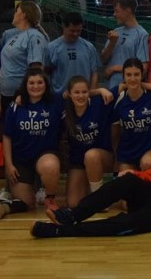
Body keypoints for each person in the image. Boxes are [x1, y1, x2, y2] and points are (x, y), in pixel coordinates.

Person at [32, 124, 151, 238]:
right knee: (128, 179)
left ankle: (59, 231)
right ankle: (71, 215)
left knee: (120, 224)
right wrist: (132, 175)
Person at [2, 68, 63, 211]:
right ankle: (21, 188)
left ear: (46, 84)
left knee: (50, 166)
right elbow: (7, 136)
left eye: (40, 82)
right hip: (21, 159)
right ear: (25, 85)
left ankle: (50, 198)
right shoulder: (15, 106)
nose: (36, 86)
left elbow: (78, 92)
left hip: (45, 154)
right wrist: (9, 165)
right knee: (25, 203)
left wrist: (101, 91)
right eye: (32, 83)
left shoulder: (56, 102)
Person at [64, 76, 116, 207]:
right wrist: (20, 97)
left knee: (91, 155)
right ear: (69, 94)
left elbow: (126, 85)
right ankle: (89, 187)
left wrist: (101, 90)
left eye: (84, 92)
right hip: (78, 161)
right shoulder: (65, 109)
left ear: (89, 92)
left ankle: (99, 199)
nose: (81, 96)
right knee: (73, 203)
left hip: (103, 157)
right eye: (76, 92)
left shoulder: (99, 103)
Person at [0, 0, 48, 116]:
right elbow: (6, 65)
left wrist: (24, 94)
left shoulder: (34, 36)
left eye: (17, 11)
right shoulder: (14, 36)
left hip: (22, 95)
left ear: (23, 15)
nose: (14, 14)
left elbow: (36, 69)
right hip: (6, 94)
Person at [112, 58, 151, 172]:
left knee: (147, 163)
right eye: (128, 75)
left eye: (136, 74)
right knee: (125, 177)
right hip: (128, 154)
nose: (132, 79)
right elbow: (115, 132)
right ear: (123, 76)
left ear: (142, 75)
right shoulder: (118, 98)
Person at [47, 11, 100, 97]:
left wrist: (91, 93)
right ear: (64, 27)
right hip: (60, 96)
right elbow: (46, 73)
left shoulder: (89, 47)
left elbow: (94, 73)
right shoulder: (52, 47)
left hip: (82, 96)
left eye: (78, 31)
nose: (75, 34)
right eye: (72, 31)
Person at [101, 0, 149, 88]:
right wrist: (112, 43)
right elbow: (103, 59)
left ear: (128, 10)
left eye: (117, 11)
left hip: (128, 89)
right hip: (110, 88)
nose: (114, 14)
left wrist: (114, 68)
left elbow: (143, 67)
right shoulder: (116, 32)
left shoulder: (141, 34)